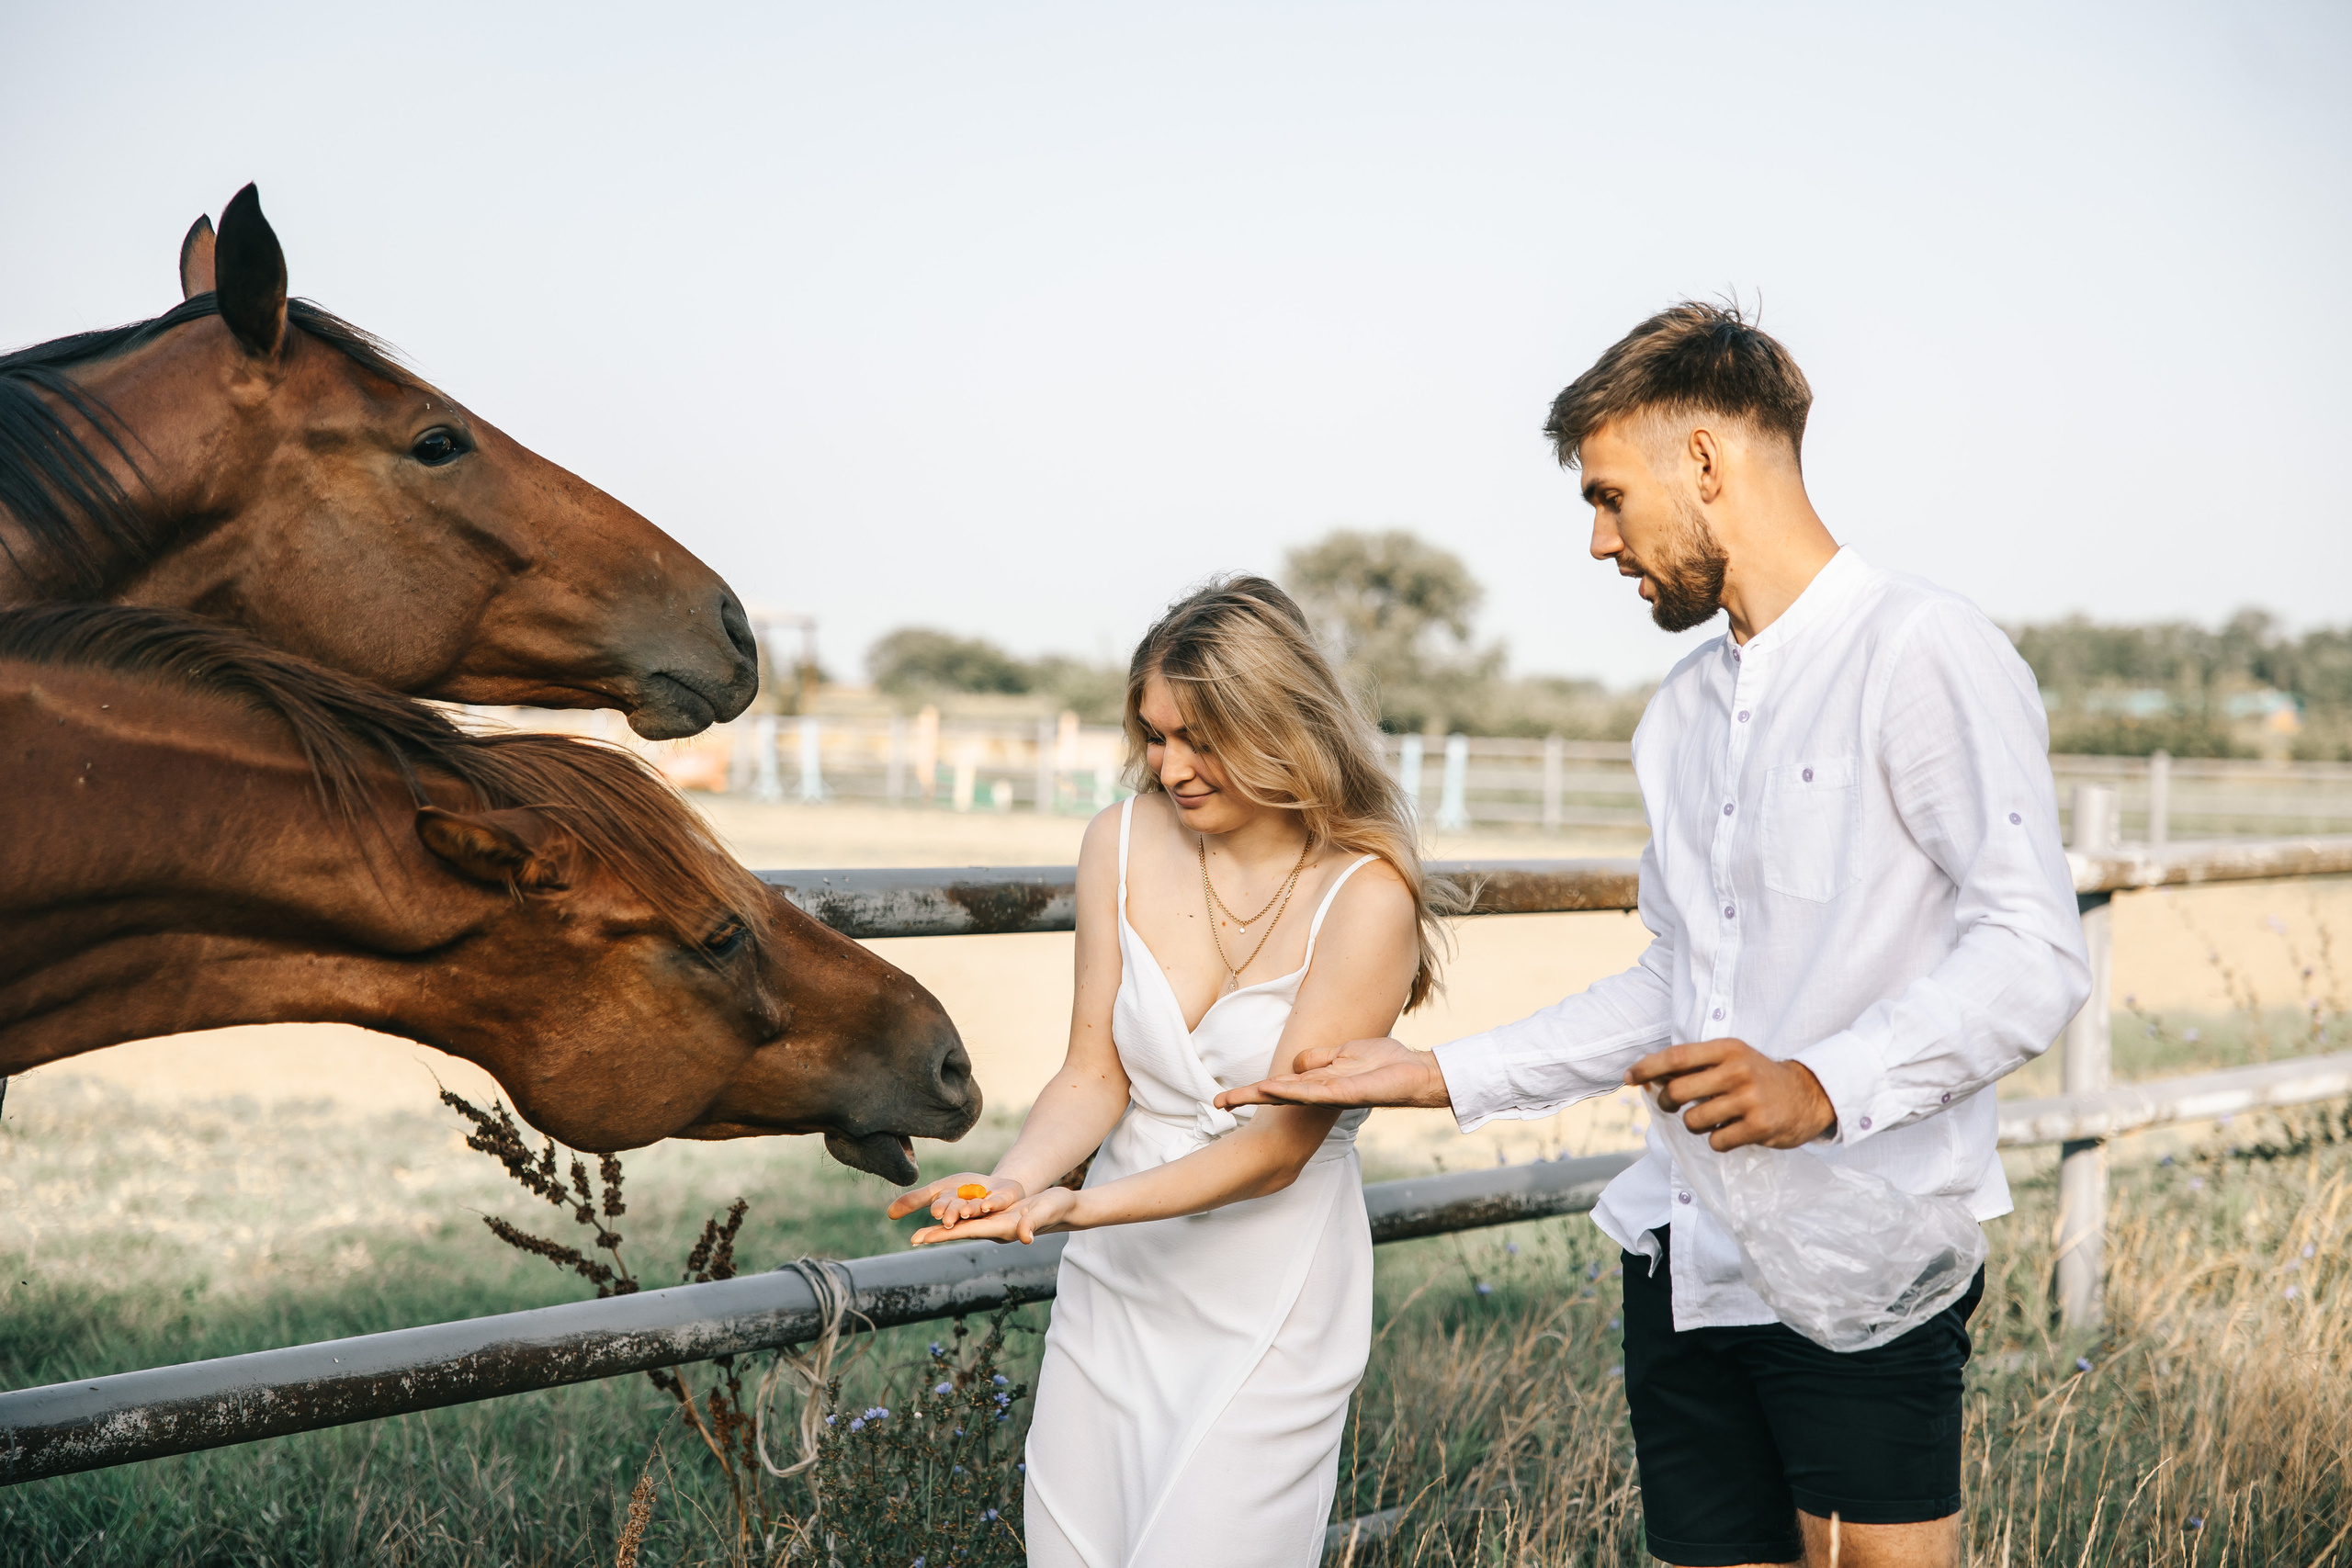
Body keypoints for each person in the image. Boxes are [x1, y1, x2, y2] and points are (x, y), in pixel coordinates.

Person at [1218, 302, 2090, 1568]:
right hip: (1686, 1249)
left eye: (1611, 496)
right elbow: (1679, 981)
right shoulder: (1679, 713)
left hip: (1863, 1256)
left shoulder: (1923, 651)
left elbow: (2033, 948)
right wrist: (1440, 1072)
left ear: (1704, 462)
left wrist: (1821, 1085)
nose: (1597, 540)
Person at [888, 576, 1453, 1568]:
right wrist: (1019, 1181)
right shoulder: (1115, 841)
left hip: (1266, 1294)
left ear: (1280, 726)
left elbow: (1279, 1150)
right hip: (1118, 1288)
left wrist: (1076, 1211)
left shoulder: (1366, 897)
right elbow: (1091, 1076)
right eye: (1154, 736)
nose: (1170, 766)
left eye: (1200, 738)